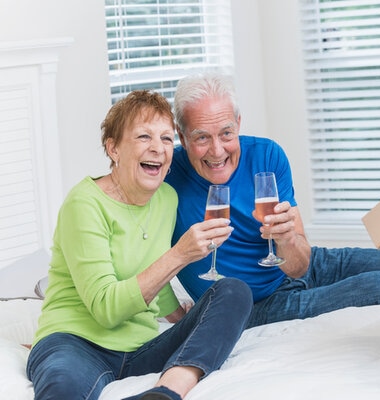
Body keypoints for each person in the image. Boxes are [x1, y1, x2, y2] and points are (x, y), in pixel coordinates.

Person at [26, 90, 253, 400]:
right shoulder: (85, 204)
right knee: (62, 387)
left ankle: (165, 392)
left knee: (234, 291)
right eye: (144, 137)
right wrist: (179, 255)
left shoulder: (166, 199)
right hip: (76, 343)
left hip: (141, 349)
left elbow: (150, 273)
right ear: (114, 148)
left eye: (165, 138)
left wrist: (177, 314)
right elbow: (107, 309)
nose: (158, 148)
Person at [165, 72, 380, 329]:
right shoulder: (165, 178)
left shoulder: (266, 155)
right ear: (182, 135)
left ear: (238, 123)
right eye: (201, 137)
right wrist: (176, 314)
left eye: (226, 133)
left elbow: (300, 266)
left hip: (307, 265)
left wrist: (286, 239)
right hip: (256, 307)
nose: (217, 150)